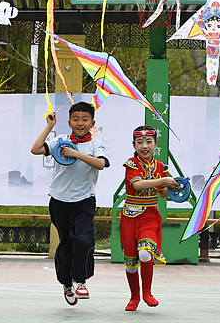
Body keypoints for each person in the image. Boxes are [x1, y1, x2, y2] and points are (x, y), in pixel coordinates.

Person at [30, 102, 108, 305]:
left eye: (85, 119)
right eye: (75, 119)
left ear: (92, 122)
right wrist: (49, 126)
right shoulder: (61, 140)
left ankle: (81, 281)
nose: (80, 123)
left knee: (83, 239)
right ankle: (66, 284)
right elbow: (36, 149)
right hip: (59, 201)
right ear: (69, 122)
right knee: (65, 244)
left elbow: (101, 163)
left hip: (84, 200)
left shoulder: (95, 144)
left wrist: (76, 154)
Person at [119, 126, 179, 311]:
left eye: (149, 142)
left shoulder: (161, 167)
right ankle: (134, 297)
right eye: (140, 142)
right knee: (131, 263)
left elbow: (162, 195)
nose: (144, 146)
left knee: (145, 253)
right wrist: (163, 181)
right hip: (130, 217)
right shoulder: (132, 164)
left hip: (149, 216)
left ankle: (147, 293)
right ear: (134, 145)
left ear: (156, 144)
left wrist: (175, 188)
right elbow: (137, 185)